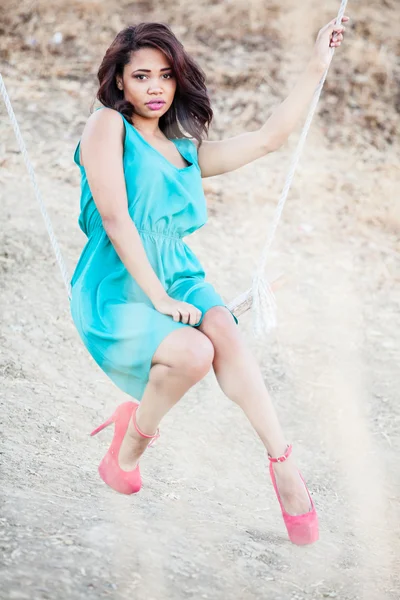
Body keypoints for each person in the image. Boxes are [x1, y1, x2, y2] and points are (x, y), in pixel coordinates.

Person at [70, 17, 348, 545]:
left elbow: (269, 139)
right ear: (120, 83)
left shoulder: (186, 154)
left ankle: (283, 465)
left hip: (181, 275)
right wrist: (158, 296)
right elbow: (114, 218)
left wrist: (316, 64)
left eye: (166, 76)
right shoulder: (107, 126)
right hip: (118, 282)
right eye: (142, 76)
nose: (155, 88)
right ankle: (130, 447)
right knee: (195, 354)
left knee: (221, 324)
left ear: (179, 81)